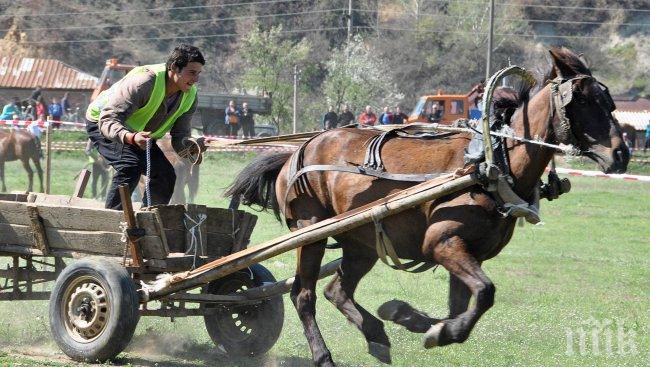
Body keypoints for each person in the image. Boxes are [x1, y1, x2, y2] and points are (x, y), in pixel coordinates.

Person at [85, 43, 206, 209]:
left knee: (166, 176)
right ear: (173, 67)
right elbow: (108, 119)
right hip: (103, 123)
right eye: (192, 72)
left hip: (139, 136)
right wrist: (131, 137)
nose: (196, 79)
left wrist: (192, 147)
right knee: (130, 166)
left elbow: (179, 136)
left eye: (199, 73)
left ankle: (148, 220)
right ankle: (113, 221)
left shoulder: (190, 95)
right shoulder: (144, 82)